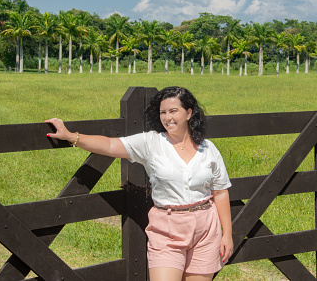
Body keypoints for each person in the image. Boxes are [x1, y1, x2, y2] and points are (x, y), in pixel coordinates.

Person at [46, 86, 233, 281]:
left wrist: (227, 234)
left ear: (189, 113)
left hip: (205, 229)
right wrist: (71, 137)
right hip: (167, 229)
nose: (167, 117)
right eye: (163, 112)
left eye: (173, 111)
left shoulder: (208, 148)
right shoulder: (151, 143)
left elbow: (220, 192)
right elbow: (110, 145)